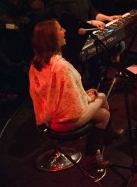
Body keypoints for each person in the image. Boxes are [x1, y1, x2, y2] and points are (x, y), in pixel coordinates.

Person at [28, 19, 121, 170]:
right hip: (65, 119)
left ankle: (105, 139)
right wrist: (87, 97)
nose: (64, 30)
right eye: (60, 29)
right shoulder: (61, 66)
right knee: (103, 110)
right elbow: (73, 106)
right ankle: (93, 154)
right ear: (51, 37)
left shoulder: (36, 64)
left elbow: (59, 95)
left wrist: (84, 95)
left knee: (101, 100)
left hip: (50, 118)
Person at [52, 0, 122, 81]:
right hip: (77, 41)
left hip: (90, 33)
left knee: (119, 44)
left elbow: (93, 13)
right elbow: (70, 26)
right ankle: (97, 80)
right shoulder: (60, 1)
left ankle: (106, 76)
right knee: (106, 50)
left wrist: (109, 18)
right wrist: (90, 22)